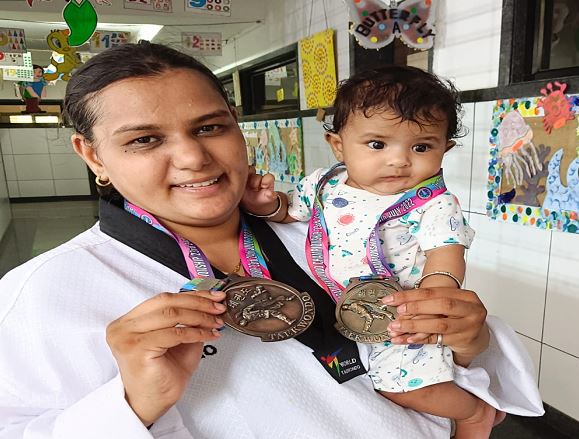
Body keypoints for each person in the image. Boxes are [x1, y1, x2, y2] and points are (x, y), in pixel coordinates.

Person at [0, 42, 543, 438]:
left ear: (236, 125)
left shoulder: (329, 231)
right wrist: (131, 403)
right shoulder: (44, 292)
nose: (192, 158)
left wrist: (468, 339)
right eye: (145, 140)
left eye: (210, 127)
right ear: (92, 155)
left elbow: (458, 362)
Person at [242, 65, 494, 438]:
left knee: (399, 389)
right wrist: (266, 204)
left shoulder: (433, 202)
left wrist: (435, 293)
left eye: (421, 147)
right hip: (348, 311)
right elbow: (289, 212)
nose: (399, 160)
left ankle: (475, 414)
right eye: (377, 144)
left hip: (403, 313)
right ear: (338, 145)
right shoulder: (323, 184)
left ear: (445, 148)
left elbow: (447, 252)